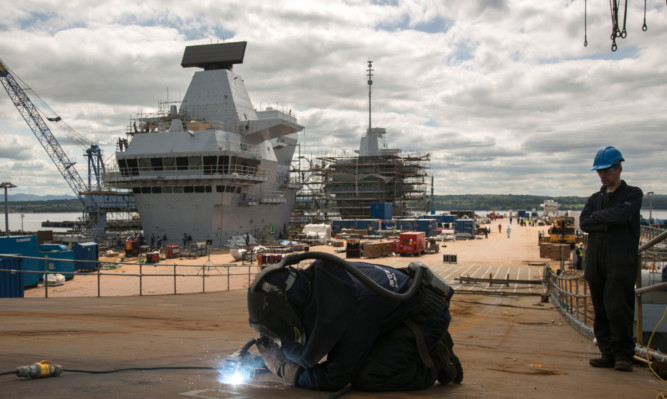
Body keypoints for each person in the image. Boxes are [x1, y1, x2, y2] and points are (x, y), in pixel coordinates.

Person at [248, 256, 463, 392]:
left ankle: (434, 361)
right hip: (389, 311)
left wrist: (286, 370)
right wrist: (280, 348)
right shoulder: (318, 280)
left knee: (367, 376)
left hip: (425, 318)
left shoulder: (350, 311)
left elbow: (334, 378)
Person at [580, 146, 642, 372]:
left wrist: (599, 220)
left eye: (606, 170)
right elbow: (584, 222)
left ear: (619, 168)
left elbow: (623, 214)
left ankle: (623, 356)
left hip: (621, 261)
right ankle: (607, 353)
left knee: (618, 308)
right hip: (596, 261)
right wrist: (608, 221)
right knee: (601, 309)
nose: (602, 175)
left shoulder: (633, 194)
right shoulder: (595, 198)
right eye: (599, 172)